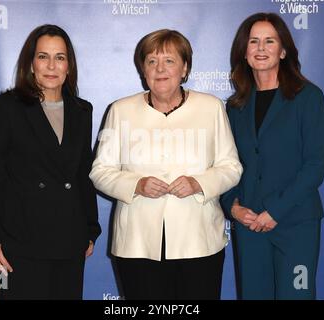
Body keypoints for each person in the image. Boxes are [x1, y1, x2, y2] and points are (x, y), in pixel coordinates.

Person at [89, 29, 243, 300]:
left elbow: (231, 167)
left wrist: (199, 183)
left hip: (199, 242)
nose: (160, 69)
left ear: (184, 68)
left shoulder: (211, 108)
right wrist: (136, 184)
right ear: (143, 69)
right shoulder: (120, 110)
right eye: (151, 61)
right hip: (137, 244)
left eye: (169, 61)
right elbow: (100, 172)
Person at [0, 24, 101, 300]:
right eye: (43, 56)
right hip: (17, 245)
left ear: (69, 65)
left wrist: (90, 230)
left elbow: (82, 175)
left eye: (60, 57)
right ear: (31, 64)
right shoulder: (6, 108)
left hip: (69, 243)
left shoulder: (82, 111)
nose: (51, 66)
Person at [221, 13, 324, 300]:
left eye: (269, 41)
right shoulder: (235, 107)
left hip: (296, 224)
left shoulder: (309, 97)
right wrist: (231, 206)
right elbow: (227, 164)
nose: (260, 48)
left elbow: (317, 163)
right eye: (253, 41)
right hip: (250, 224)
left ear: (283, 51)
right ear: (244, 53)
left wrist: (275, 212)